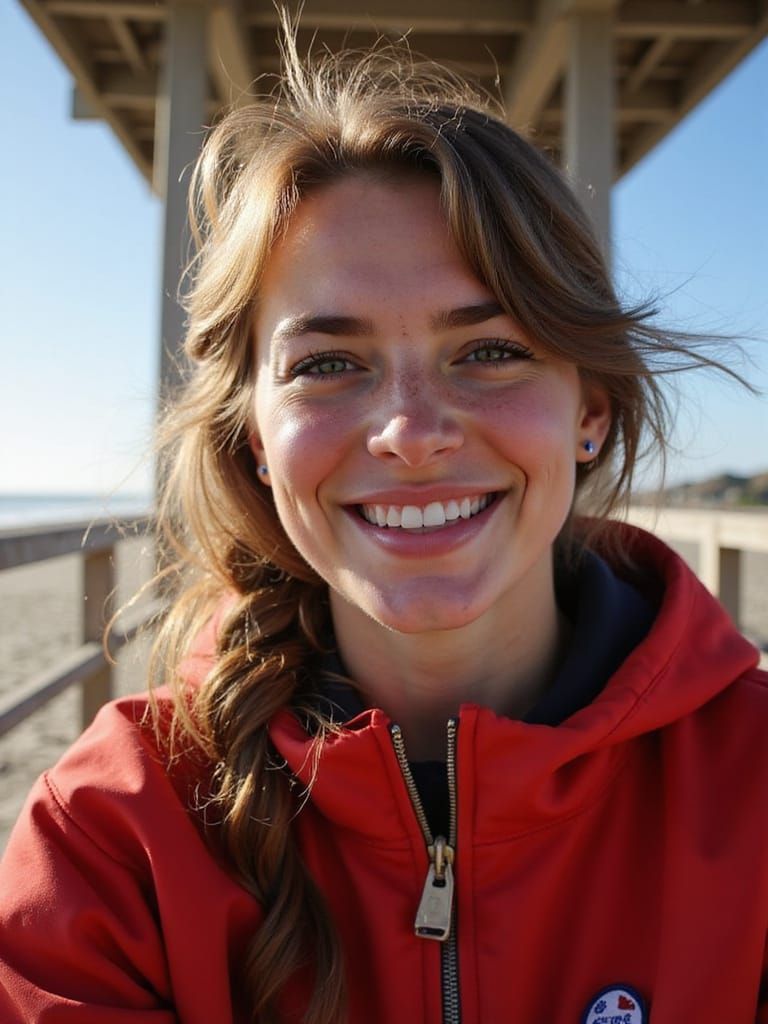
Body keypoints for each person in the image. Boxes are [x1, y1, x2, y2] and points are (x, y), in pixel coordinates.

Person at [1, 27, 766, 1024]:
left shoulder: (752, 787)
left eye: (488, 351)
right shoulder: (112, 836)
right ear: (254, 441)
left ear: (591, 410)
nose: (410, 433)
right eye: (327, 364)